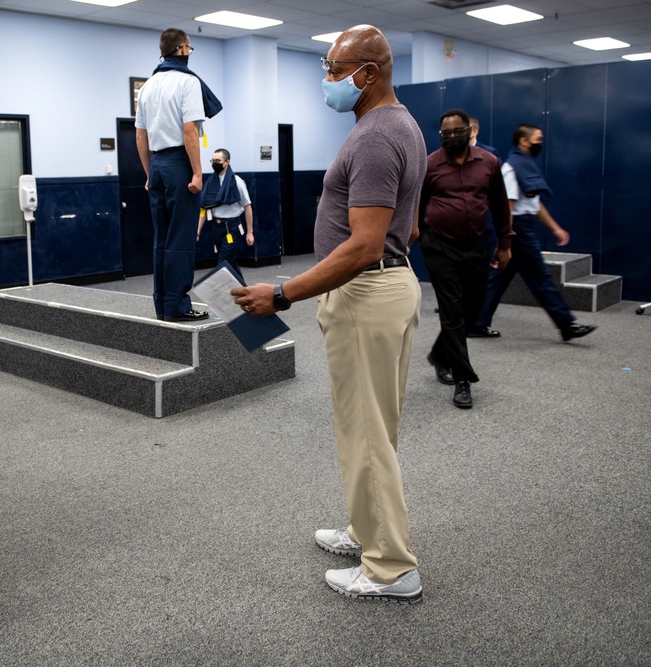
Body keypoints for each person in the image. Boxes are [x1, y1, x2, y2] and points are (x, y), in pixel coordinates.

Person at [232, 25, 425, 603]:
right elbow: (405, 226)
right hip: (387, 287)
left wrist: (284, 294)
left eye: (336, 70)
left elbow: (365, 245)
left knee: (365, 433)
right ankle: (367, 531)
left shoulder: (372, 137)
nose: (328, 80)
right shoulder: (403, 125)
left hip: (368, 293)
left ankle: (391, 568)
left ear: (369, 73)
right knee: (372, 429)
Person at [420, 109, 512, 410]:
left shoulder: (489, 162)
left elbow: (500, 205)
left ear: (470, 132)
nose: (451, 138)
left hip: (477, 245)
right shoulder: (430, 164)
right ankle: (463, 381)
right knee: (452, 311)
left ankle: (439, 353)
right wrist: (421, 237)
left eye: (457, 132)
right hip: (440, 247)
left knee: (473, 309)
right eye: (445, 134)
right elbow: (416, 205)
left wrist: (504, 245)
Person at [470, 124, 597, 342]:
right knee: (541, 278)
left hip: (523, 227)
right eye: (538, 138)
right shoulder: (512, 168)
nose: (541, 142)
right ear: (524, 141)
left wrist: (555, 228)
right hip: (517, 230)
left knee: (498, 280)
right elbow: (506, 208)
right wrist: (505, 240)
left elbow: (534, 205)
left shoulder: (525, 167)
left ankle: (477, 323)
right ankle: (566, 324)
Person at [135, 28, 222, 322]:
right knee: (181, 239)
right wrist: (198, 173)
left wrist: (149, 174)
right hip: (178, 163)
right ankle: (178, 306)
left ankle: (162, 305)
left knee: (161, 237)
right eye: (190, 49)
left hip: (157, 164)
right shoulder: (188, 82)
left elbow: (140, 137)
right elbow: (189, 131)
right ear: (183, 48)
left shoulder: (147, 86)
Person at [197, 149, 254, 283]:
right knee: (231, 263)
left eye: (218, 161)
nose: (215, 164)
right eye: (213, 161)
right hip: (216, 227)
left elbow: (247, 207)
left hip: (231, 227)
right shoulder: (211, 182)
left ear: (227, 162)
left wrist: (250, 233)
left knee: (223, 262)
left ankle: (220, 293)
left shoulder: (237, 182)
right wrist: (198, 229)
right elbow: (204, 209)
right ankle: (244, 291)